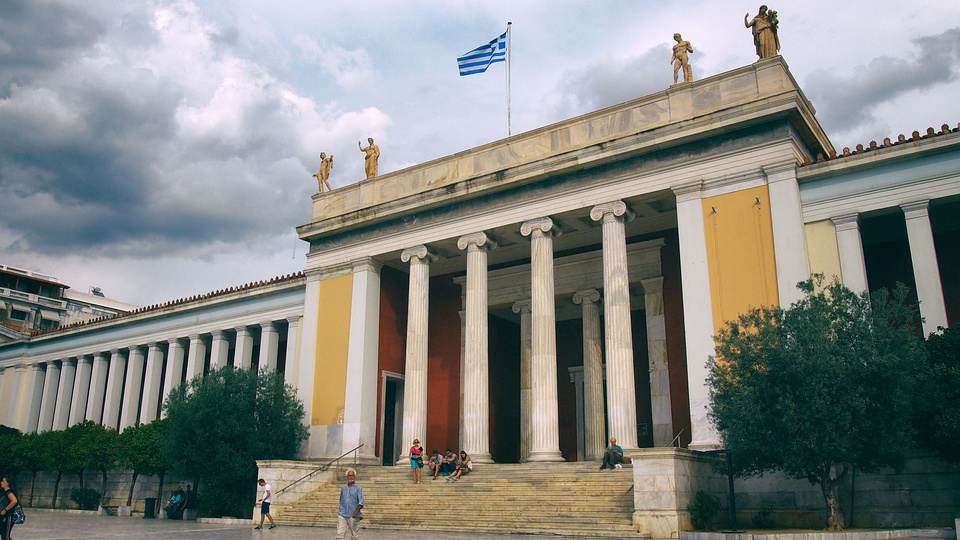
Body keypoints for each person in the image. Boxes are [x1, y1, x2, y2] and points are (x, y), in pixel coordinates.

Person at [337, 468, 364, 540]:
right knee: (340, 534)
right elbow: (341, 500)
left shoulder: (358, 488)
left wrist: (356, 511)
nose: (351, 477)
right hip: (343, 513)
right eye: (349, 476)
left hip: (353, 514)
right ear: (347, 477)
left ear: (355, 477)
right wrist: (340, 510)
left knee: (354, 535)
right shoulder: (343, 488)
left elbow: (361, 502)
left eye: (352, 476)